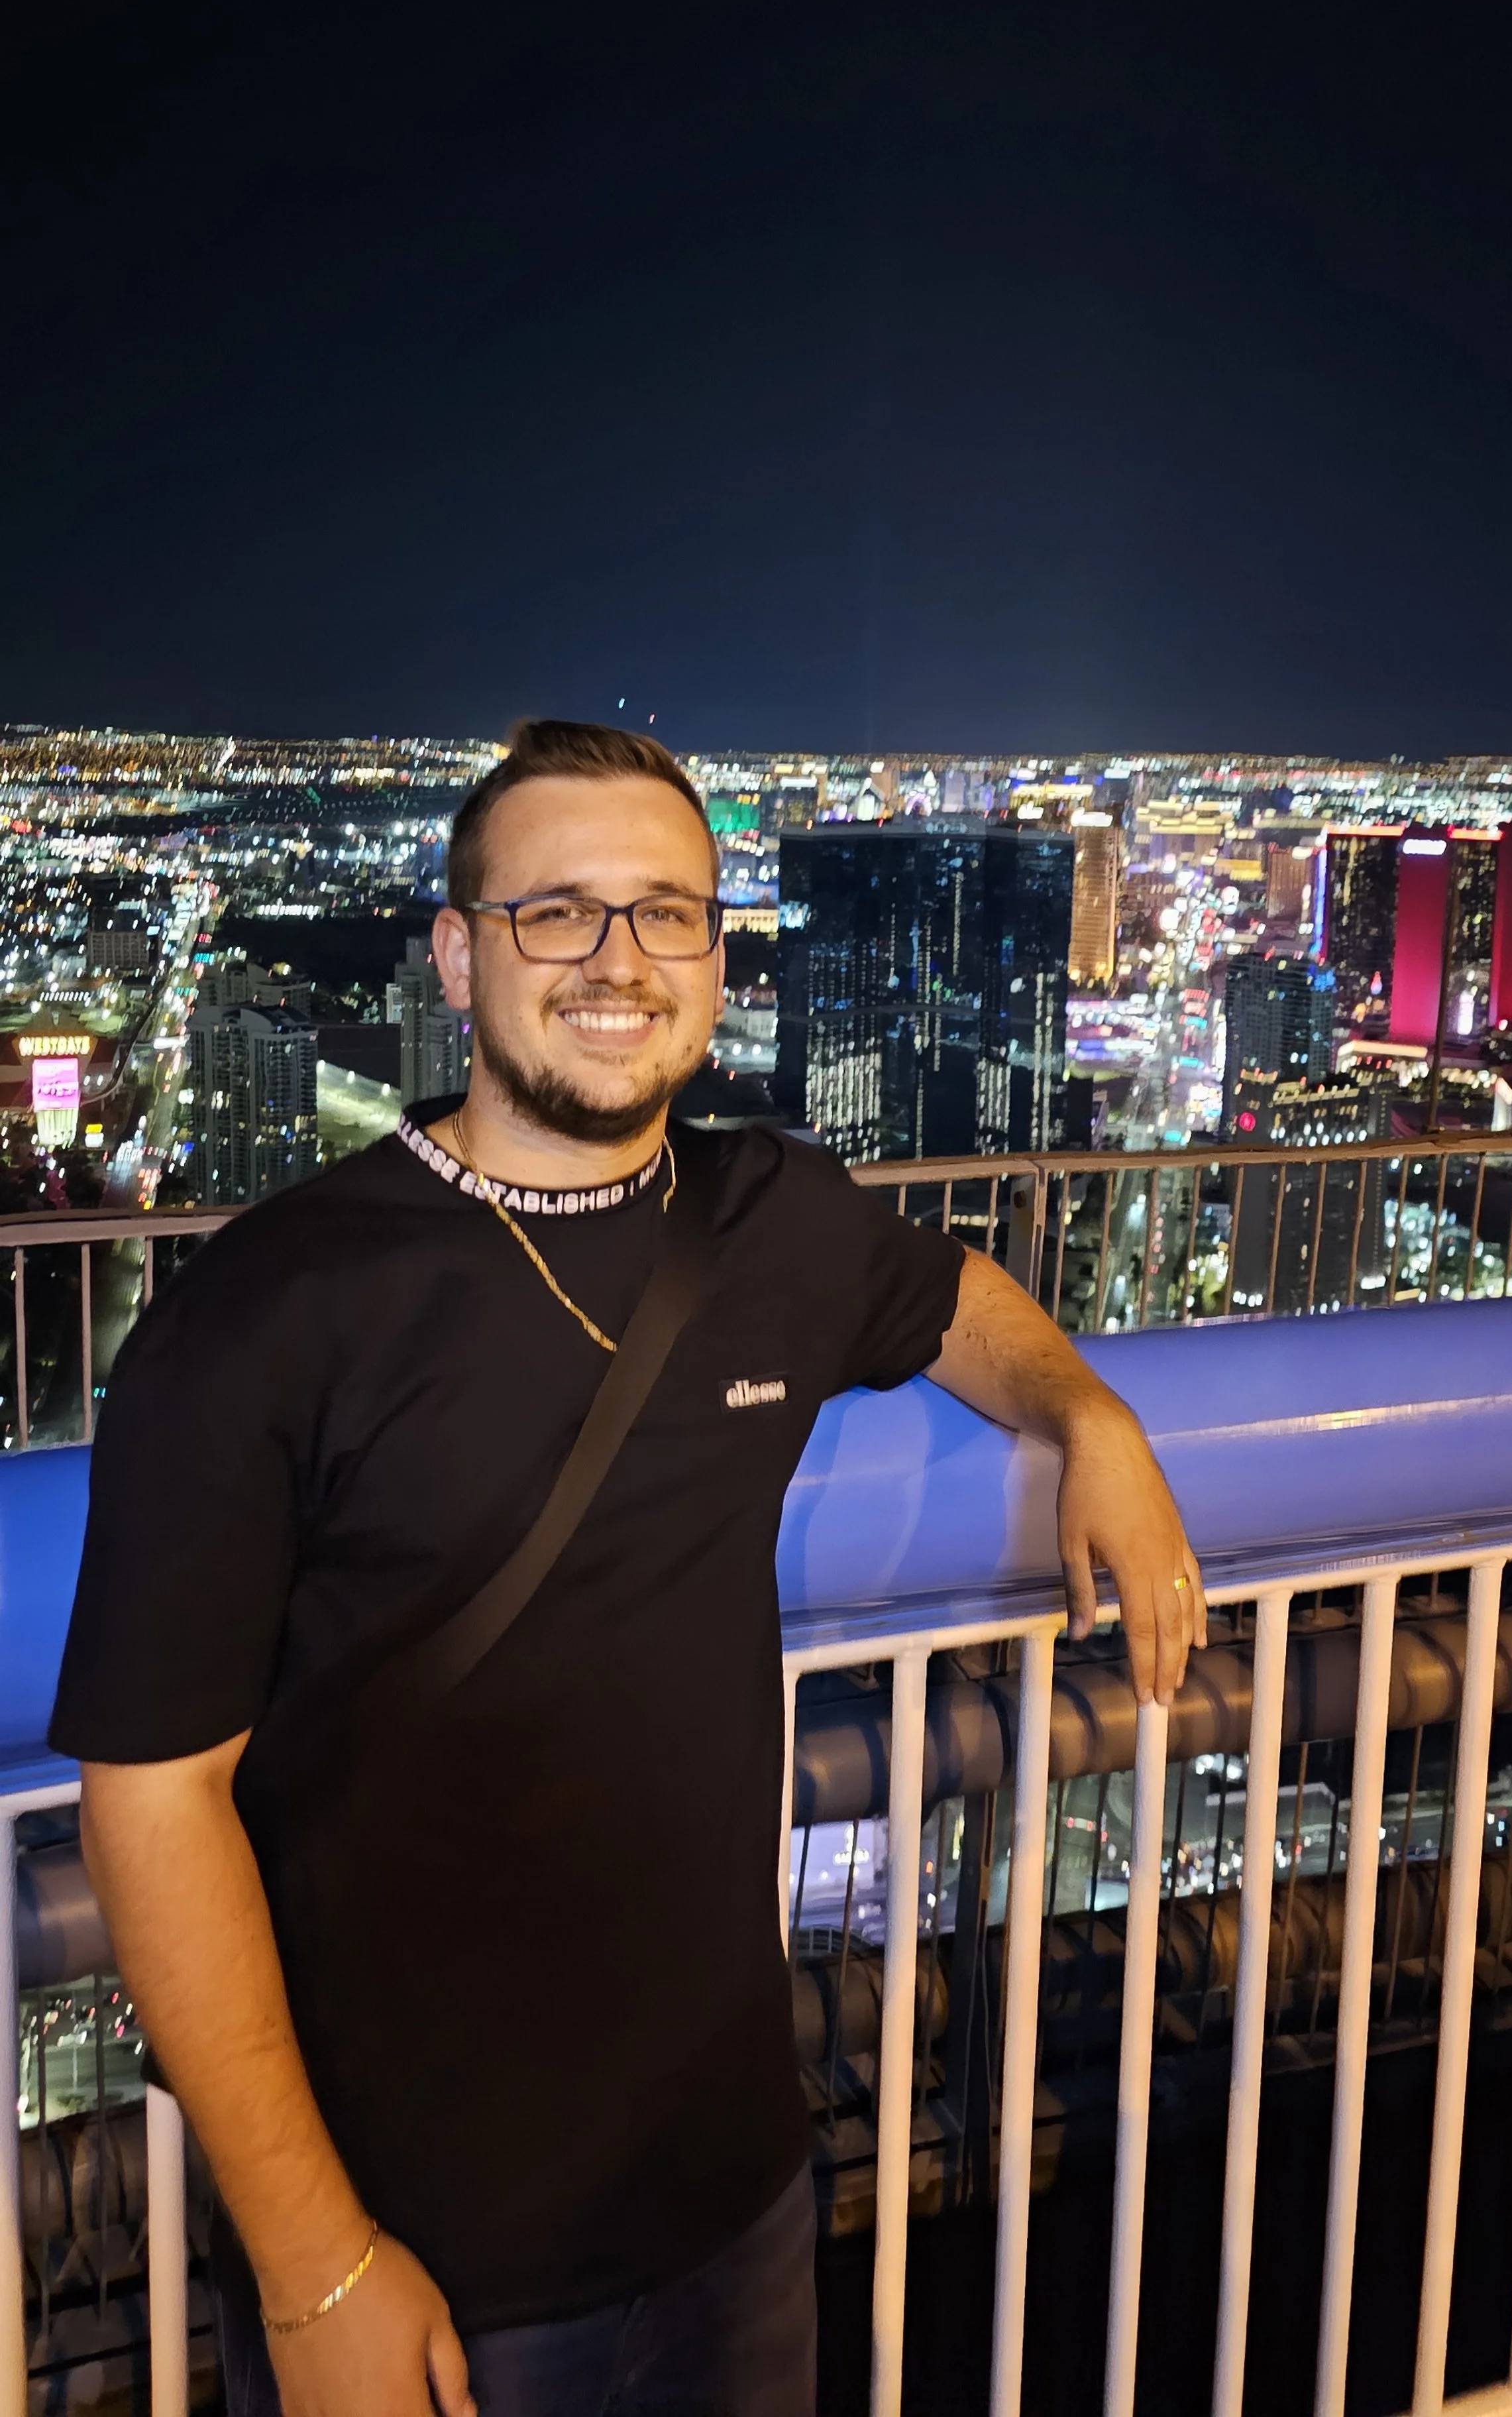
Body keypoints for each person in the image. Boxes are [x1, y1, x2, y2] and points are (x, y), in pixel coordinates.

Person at [52, 721, 1205, 2417]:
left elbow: (952, 1298)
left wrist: (1088, 1413)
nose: (616, 960)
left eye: (665, 913)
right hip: (418, 2240)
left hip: (729, 2189)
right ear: (457, 954)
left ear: (717, 959)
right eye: (556, 914)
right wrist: (313, 2269)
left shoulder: (769, 1221)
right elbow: (152, 1804)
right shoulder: (263, 1312)